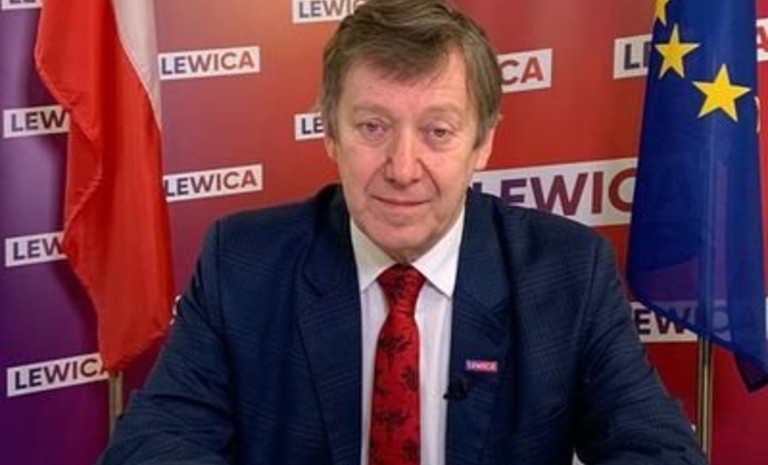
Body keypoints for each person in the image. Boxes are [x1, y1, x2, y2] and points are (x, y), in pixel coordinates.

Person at [97, 0, 706, 464]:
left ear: (483, 143)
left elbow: (659, 451)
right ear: (330, 132)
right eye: (372, 127)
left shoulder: (569, 272)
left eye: (438, 131)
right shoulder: (242, 262)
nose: (403, 168)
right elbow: (153, 446)